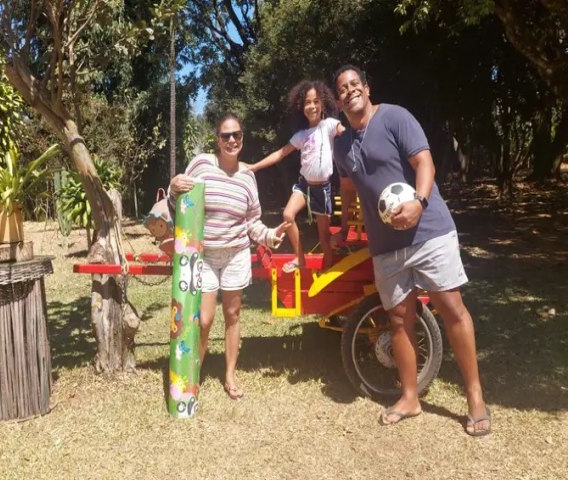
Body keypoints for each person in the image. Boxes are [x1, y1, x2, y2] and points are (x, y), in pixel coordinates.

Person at [332, 65, 491, 436]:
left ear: (367, 88)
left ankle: (475, 398)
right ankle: (409, 397)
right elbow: (349, 186)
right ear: (338, 102)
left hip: (429, 231)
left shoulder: (395, 117)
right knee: (399, 319)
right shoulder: (341, 145)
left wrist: (419, 202)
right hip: (386, 247)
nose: (350, 90)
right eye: (342, 89)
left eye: (355, 84)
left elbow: (424, 163)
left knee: (451, 309)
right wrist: (344, 226)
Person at [169, 113, 288, 400]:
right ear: (217, 139)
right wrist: (173, 189)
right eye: (226, 135)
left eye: (236, 135)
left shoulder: (248, 177)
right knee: (205, 319)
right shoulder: (201, 164)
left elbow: (252, 222)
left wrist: (270, 236)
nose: (231, 140)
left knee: (233, 315)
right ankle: (192, 373)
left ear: (242, 138)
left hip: (236, 254)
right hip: (206, 255)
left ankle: (230, 376)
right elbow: (180, 202)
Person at [247, 80, 345, 272]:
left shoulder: (329, 125)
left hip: (322, 188)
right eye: (308, 102)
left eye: (316, 101)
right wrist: (254, 167)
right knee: (287, 215)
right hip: (304, 185)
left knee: (324, 236)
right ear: (302, 107)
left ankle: (328, 267)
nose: (312, 106)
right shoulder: (302, 135)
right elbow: (280, 153)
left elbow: (346, 133)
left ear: (323, 103)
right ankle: (300, 259)